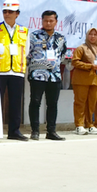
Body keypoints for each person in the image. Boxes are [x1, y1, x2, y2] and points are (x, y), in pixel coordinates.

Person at [0, 0, 29, 140]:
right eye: (5, 11)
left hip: (16, 71)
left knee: (15, 102)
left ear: (17, 14)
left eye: (10, 12)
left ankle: (14, 131)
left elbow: (27, 50)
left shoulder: (24, 30)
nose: (7, 14)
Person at [27, 11, 67, 141]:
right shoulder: (33, 36)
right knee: (35, 102)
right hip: (38, 75)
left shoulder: (61, 38)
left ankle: (51, 131)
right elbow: (27, 54)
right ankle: (35, 131)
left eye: (51, 21)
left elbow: (62, 56)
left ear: (56, 22)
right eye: (46, 21)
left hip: (54, 76)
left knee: (52, 104)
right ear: (42, 21)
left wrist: (53, 65)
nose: (48, 23)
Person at [71, 28, 97, 135]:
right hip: (81, 80)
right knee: (80, 103)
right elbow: (75, 62)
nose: (93, 37)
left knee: (91, 104)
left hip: (95, 80)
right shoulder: (82, 48)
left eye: (95, 35)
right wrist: (90, 66)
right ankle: (79, 125)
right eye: (91, 34)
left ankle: (89, 125)